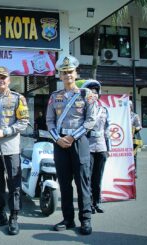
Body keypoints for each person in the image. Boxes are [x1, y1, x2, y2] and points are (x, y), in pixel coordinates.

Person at [46, 55, 97, 235]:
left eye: (70, 72)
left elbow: (91, 120)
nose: (67, 75)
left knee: (82, 182)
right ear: (59, 76)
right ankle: (68, 219)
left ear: (76, 73)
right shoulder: (54, 96)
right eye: (64, 72)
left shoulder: (86, 94)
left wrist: (72, 137)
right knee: (64, 183)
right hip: (60, 143)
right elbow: (50, 121)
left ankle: (86, 220)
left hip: (79, 141)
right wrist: (57, 139)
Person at [0, 66, 29, 235]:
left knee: (14, 184)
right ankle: (1, 215)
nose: (0, 80)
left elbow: (23, 122)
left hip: (11, 148)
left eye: (3, 77)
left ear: (9, 80)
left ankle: (14, 218)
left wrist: (5, 131)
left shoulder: (18, 98)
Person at [81, 80, 111, 214]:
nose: (93, 94)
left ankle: (96, 202)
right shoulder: (82, 109)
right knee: (88, 177)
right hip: (88, 145)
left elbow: (107, 130)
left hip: (101, 146)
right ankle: (88, 204)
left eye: (95, 92)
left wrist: (108, 148)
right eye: (90, 92)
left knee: (98, 177)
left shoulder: (104, 110)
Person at [129, 100, 143, 175]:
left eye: (129, 106)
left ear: (131, 107)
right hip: (124, 139)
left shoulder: (134, 115)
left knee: (133, 155)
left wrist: (134, 128)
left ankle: (134, 171)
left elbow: (139, 126)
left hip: (133, 138)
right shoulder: (122, 116)